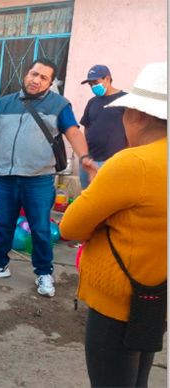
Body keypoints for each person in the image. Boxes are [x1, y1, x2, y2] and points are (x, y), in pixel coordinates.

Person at [60, 62, 167, 387]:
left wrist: (99, 205)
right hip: (156, 298)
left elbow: (70, 227)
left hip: (118, 302)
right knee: (137, 379)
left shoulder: (133, 163)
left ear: (138, 115)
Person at [0, 58, 96, 297]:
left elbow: (73, 132)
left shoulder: (59, 105)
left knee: (39, 228)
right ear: (26, 74)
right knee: (4, 224)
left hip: (38, 179)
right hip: (7, 177)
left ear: (50, 83)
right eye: (34, 74)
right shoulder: (6, 102)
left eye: (43, 78)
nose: (36, 80)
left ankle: (43, 272)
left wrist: (84, 157)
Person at [78, 64, 128, 188]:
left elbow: (133, 128)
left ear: (107, 78)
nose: (93, 87)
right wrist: (85, 154)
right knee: (87, 197)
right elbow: (86, 126)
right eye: (90, 84)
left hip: (112, 162)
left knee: (108, 199)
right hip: (89, 161)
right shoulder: (92, 102)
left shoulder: (125, 99)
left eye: (95, 82)